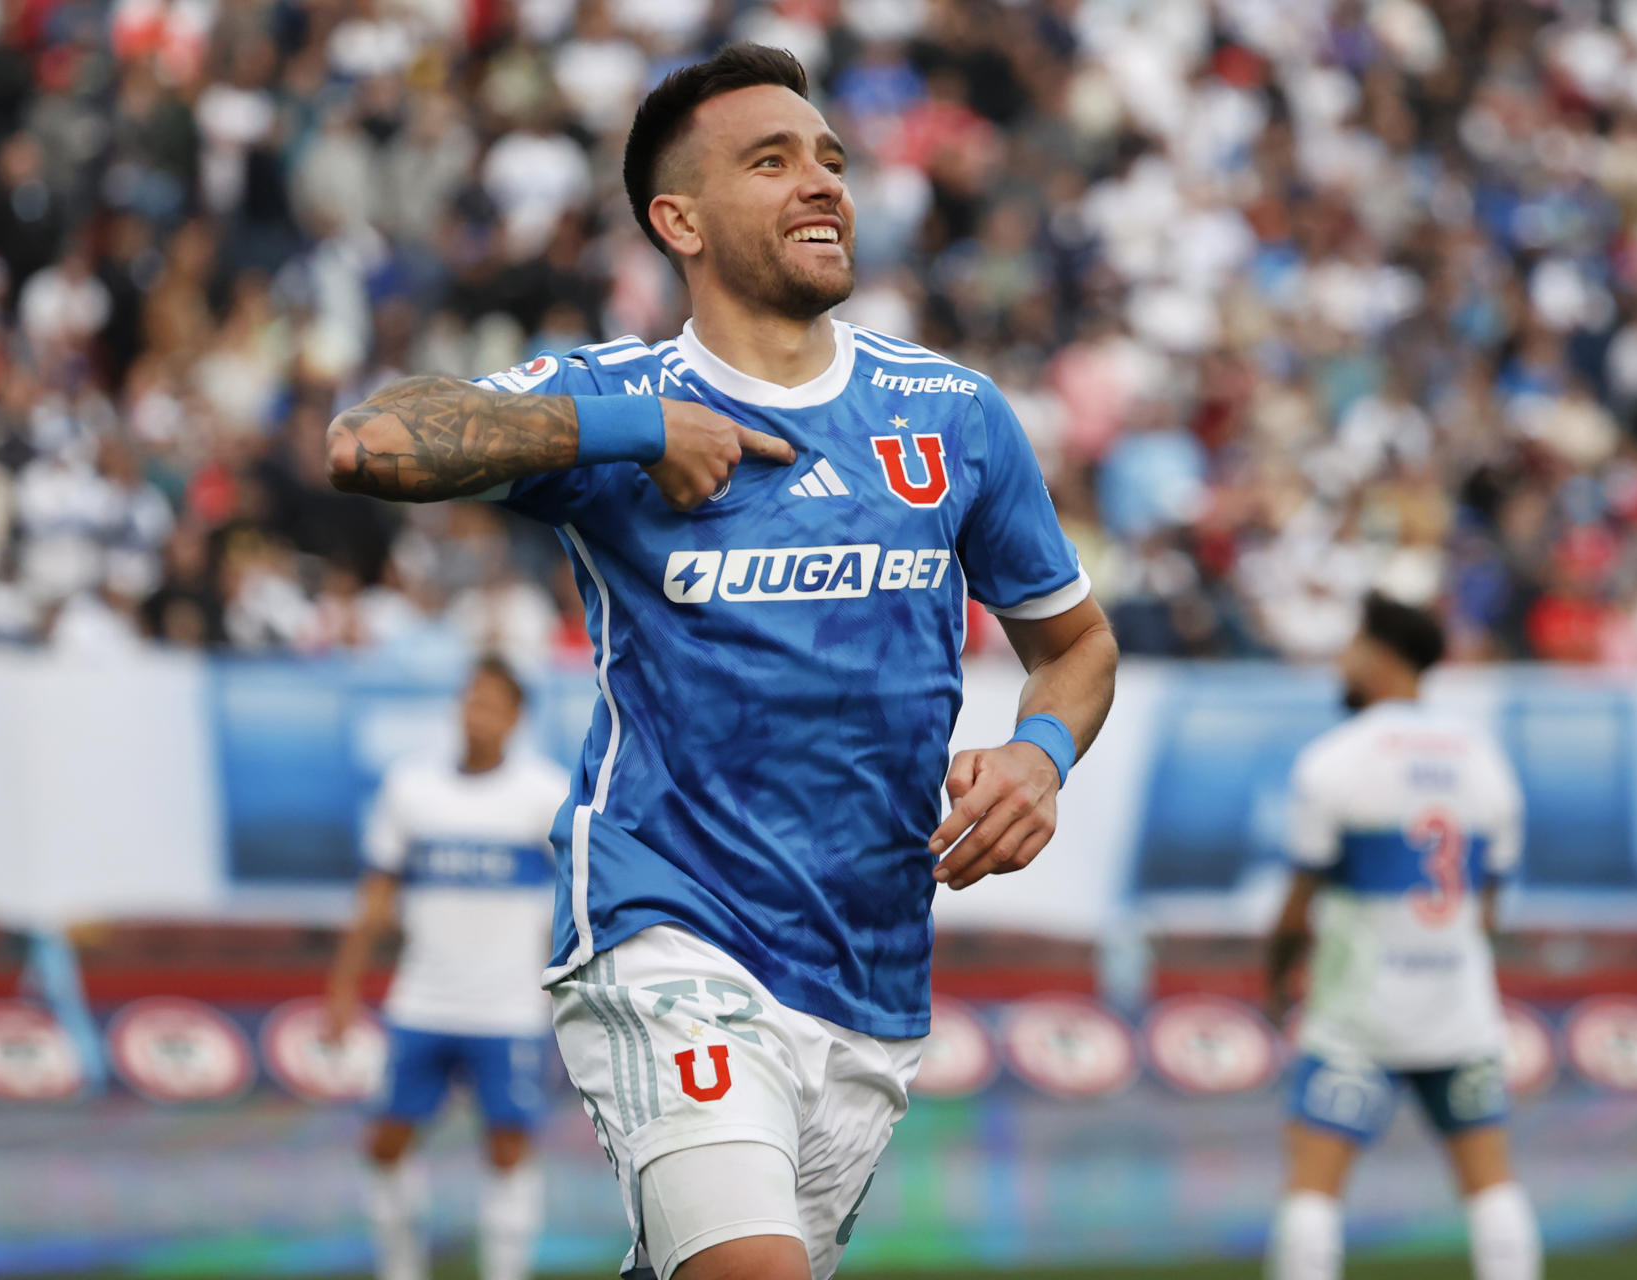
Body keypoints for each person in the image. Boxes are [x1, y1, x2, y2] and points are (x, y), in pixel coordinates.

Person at [323, 44, 1118, 1280]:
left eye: (831, 160)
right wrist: (632, 430)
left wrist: (1040, 751)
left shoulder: (951, 414)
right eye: (773, 160)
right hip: (668, 927)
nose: (822, 183)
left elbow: (1074, 646)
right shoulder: (618, 394)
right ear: (676, 219)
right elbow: (370, 442)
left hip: (868, 967)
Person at [1263, 594, 1540, 1280]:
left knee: (1314, 1184)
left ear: (1381, 656)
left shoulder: (1335, 761)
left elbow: (1299, 908)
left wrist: (1276, 981)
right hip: (1459, 1008)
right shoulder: (1484, 760)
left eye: (1353, 647)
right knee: (1492, 1183)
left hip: (1360, 1010)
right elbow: (1489, 909)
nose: (1344, 661)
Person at [325, 656, 572, 1280]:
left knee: (509, 1149)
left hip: (508, 1008)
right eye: (469, 698)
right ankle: (401, 1267)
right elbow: (377, 895)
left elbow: (579, 898)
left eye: (491, 702)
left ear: (516, 717)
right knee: (385, 1144)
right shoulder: (412, 789)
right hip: (422, 1002)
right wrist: (343, 987)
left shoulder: (544, 794)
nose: (476, 712)